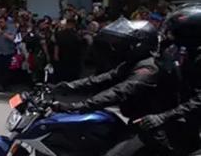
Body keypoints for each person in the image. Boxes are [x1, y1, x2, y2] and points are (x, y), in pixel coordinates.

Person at [51, 18, 180, 156]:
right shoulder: (133, 62)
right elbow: (103, 78)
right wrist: (66, 86)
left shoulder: (149, 68)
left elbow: (119, 91)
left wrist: (78, 106)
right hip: (136, 121)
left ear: (137, 45)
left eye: (124, 44)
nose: (117, 47)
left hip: (153, 128)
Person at [135, 5, 201, 155]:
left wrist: (163, 117)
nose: (168, 35)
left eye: (173, 32)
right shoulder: (180, 51)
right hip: (183, 118)